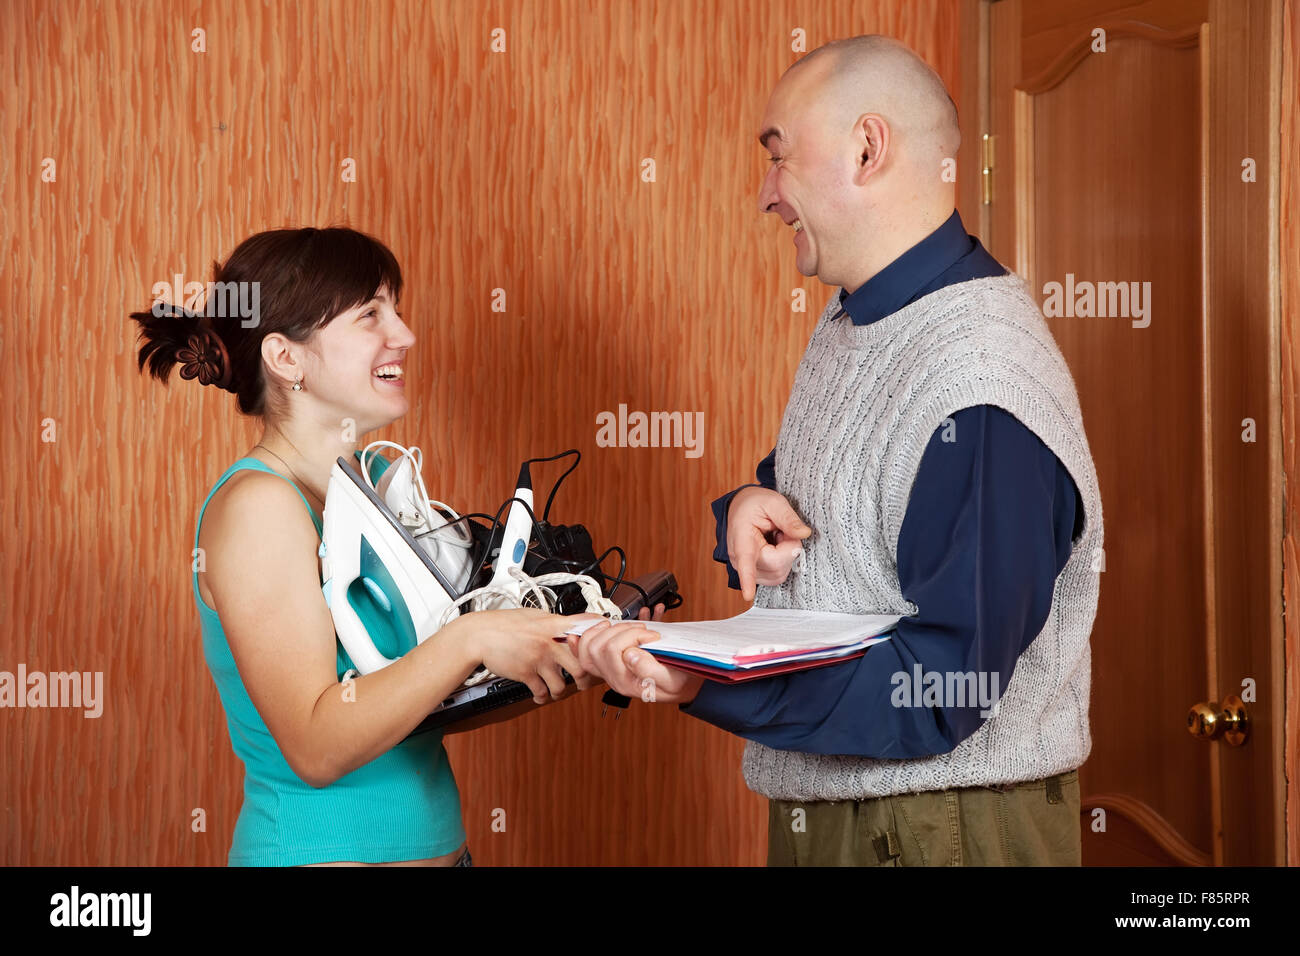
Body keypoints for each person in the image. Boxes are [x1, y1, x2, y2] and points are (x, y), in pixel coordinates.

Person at [572, 35, 1103, 866]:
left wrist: (703, 677)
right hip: (861, 815)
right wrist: (746, 509)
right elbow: (829, 510)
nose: (765, 195)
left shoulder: (984, 387)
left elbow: (940, 692)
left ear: (866, 147)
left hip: (943, 830)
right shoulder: (859, 319)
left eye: (778, 158)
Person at [131, 226, 651, 866]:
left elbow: (417, 713)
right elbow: (317, 746)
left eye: (396, 311)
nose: (403, 335)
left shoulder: (373, 494)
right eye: (370, 315)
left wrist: (561, 657)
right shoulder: (259, 509)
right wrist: (470, 640)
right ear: (286, 358)